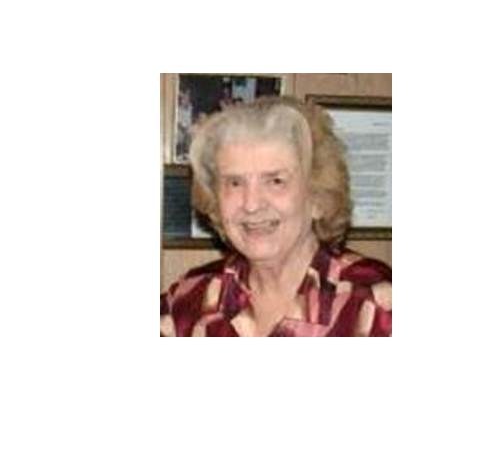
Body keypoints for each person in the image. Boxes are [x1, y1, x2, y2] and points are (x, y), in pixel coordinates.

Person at [160, 96, 391, 337]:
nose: (251, 204)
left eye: (275, 181)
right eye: (235, 183)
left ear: (317, 197)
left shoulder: (375, 304)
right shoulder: (188, 302)